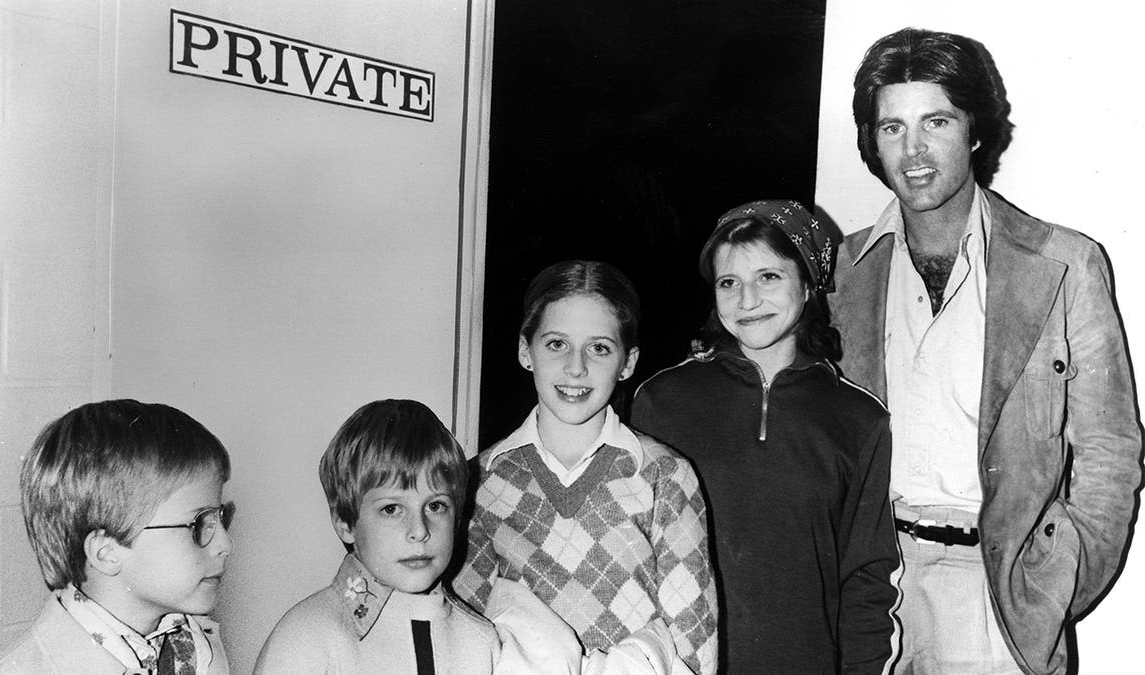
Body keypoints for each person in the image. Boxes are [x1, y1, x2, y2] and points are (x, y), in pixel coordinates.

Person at [833, 27, 1142, 675]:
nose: (913, 150)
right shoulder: (842, 273)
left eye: (936, 121)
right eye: (892, 127)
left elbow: (1111, 451)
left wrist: (1053, 585)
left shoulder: (1064, 265)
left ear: (974, 130)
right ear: (872, 141)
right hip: (867, 589)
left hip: (997, 597)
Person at [632, 200, 901, 674]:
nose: (747, 300)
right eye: (729, 282)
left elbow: (867, 580)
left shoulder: (860, 419)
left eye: (769, 277)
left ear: (809, 284)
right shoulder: (662, 401)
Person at [453, 260, 719, 674]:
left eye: (599, 348)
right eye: (557, 344)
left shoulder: (665, 476)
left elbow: (695, 642)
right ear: (525, 350)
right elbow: (465, 639)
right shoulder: (479, 481)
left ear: (628, 362)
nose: (576, 367)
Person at [0, 399, 234, 674]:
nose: (226, 544)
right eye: (198, 524)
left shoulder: (197, 646)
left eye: (222, 518)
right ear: (107, 552)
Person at [255, 398, 504, 673]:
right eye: (391, 509)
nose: (419, 531)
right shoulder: (305, 640)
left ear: (456, 519)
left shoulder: (481, 642)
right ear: (345, 523)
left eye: (435, 506)